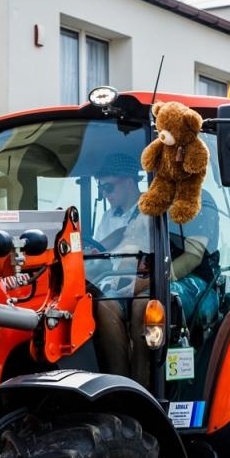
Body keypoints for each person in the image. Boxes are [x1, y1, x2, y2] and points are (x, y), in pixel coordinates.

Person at [89, 154, 152, 379]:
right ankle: (116, 379)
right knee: (97, 304)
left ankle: (138, 381)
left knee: (130, 307)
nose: (105, 194)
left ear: (129, 181)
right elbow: (99, 254)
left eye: (109, 187)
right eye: (101, 189)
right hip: (112, 281)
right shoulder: (108, 216)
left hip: (143, 280)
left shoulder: (150, 211)